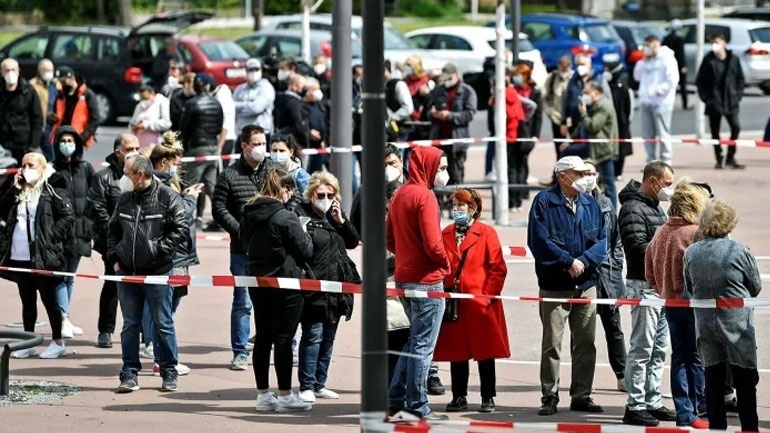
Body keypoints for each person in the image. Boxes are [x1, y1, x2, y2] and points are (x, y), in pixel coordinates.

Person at [527, 156, 607, 416]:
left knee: (585, 343)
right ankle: (549, 396)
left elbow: (603, 241)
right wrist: (567, 261)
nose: (586, 177)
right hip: (554, 285)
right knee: (552, 344)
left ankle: (582, 395)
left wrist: (582, 261)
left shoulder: (591, 203)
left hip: (586, 284)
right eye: (580, 173)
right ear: (563, 176)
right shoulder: (544, 202)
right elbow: (539, 241)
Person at [108, 153, 187, 393]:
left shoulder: (167, 197)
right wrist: (115, 258)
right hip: (127, 273)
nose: (123, 178)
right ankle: (129, 373)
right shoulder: (124, 199)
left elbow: (181, 229)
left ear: (140, 175)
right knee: (130, 324)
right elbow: (112, 231)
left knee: (163, 322)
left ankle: (169, 370)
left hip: (158, 272)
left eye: (127, 173)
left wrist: (157, 251)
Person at [683, 199, 762, 433]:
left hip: (706, 323)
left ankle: (717, 428)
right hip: (737, 323)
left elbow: (689, 287)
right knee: (745, 380)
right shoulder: (739, 250)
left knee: (713, 380)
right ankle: (750, 428)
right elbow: (755, 286)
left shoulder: (691, 252)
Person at [240, 169, 314, 412]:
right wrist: (303, 233)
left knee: (262, 336)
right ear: (282, 189)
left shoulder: (248, 213)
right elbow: (305, 250)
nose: (291, 194)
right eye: (289, 189)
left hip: (258, 280)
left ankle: (263, 394)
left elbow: (242, 241)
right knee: (283, 338)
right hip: (286, 282)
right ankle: (285, 395)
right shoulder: (286, 217)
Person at [387, 146, 451, 422]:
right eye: (442, 167)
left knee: (414, 342)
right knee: (423, 346)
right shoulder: (425, 196)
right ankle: (417, 404)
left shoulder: (401, 193)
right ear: (429, 167)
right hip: (427, 279)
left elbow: (388, 238)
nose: (444, 173)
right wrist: (445, 263)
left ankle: (396, 398)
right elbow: (433, 242)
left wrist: (406, 256)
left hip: (404, 276)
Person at [433, 189, 508, 414]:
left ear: (473, 208)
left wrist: (487, 296)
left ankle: (488, 396)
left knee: (485, 352)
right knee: (458, 353)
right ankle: (459, 396)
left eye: (461, 205)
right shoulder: (446, 233)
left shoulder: (486, 233)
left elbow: (498, 268)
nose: (456, 209)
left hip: (480, 302)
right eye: (454, 205)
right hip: (455, 302)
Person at [645, 179, 711, 429]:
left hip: (670, 303)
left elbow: (648, 268)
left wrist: (661, 289)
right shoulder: (694, 233)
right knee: (694, 358)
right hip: (693, 303)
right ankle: (693, 409)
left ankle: (685, 411)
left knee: (680, 357)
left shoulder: (661, 232)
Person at [618, 160, 677, 426]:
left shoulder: (655, 207)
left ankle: (653, 401)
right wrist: (669, 253)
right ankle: (635, 405)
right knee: (642, 348)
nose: (669, 190)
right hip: (643, 286)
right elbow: (637, 247)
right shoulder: (631, 208)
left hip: (660, 287)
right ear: (652, 181)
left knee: (659, 349)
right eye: (666, 184)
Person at [213, 125, 276, 370]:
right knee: (243, 302)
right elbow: (219, 209)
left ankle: (282, 347)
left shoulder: (273, 170)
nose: (261, 148)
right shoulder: (229, 175)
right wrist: (240, 230)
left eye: (263, 143)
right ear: (244, 146)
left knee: (276, 300)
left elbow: (288, 197)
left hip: (272, 249)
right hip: (243, 250)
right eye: (257, 144)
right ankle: (240, 352)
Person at [294, 172, 360, 403]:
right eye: (320, 194)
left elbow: (352, 241)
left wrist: (341, 221)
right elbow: (300, 249)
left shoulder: (335, 216)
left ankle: (320, 383)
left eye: (330, 194)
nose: (325, 198)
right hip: (313, 287)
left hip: (337, 288)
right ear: (311, 195)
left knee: (329, 338)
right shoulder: (301, 215)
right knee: (313, 336)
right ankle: (306, 385)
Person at [0, 152, 73, 359]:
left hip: (43, 256)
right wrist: (15, 189)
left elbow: (67, 218)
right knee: (27, 301)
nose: (25, 169)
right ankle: (28, 341)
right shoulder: (18, 190)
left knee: (49, 300)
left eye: (30, 165)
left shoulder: (52, 189)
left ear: (42, 168)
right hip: (20, 255)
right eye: (23, 165)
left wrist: (50, 237)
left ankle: (58, 342)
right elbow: (2, 209)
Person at [143, 132, 202, 377]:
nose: (179, 165)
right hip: (172, 257)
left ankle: (161, 358)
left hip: (179, 256)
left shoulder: (166, 184)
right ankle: (165, 360)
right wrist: (191, 199)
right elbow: (181, 216)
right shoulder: (161, 186)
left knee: (166, 311)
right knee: (165, 312)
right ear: (164, 162)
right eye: (176, 161)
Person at [87, 133, 140, 349]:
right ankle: (105, 331)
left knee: (142, 288)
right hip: (113, 242)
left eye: (138, 147)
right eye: (131, 148)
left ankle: (146, 336)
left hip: (140, 242)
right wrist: (116, 232)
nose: (135, 152)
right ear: (119, 152)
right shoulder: (104, 177)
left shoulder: (143, 172)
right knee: (112, 285)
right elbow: (96, 208)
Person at [583, 161, 626, 392]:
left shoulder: (606, 202)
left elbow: (616, 238)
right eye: (585, 173)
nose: (589, 177)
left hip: (608, 275)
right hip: (585, 275)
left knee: (613, 327)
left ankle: (622, 374)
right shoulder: (575, 202)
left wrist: (615, 264)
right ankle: (582, 382)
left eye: (592, 173)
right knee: (583, 332)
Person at [51, 126, 94, 339]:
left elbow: (95, 198)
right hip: (60, 234)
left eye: (70, 140)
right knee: (60, 276)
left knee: (71, 277)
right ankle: (63, 318)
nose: (66, 144)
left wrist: (90, 227)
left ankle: (65, 318)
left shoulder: (85, 168)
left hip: (80, 233)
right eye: (63, 140)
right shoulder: (52, 169)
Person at [179, 73, 224, 229]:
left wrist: (183, 146)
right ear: (207, 86)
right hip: (212, 148)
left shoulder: (191, 104)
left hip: (196, 149)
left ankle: (187, 221)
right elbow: (219, 125)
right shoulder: (216, 104)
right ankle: (221, 220)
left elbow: (184, 128)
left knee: (191, 186)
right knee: (212, 187)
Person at [696, 34, 746, 170]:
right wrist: (707, 99)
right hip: (714, 103)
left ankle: (730, 157)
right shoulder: (708, 60)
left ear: (724, 43)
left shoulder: (733, 59)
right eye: (712, 42)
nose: (714, 45)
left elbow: (740, 79)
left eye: (717, 42)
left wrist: (738, 96)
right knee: (715, 132)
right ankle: (719, 158)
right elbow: (700, 81)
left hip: (731, 101)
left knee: (736, 127)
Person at [427, 63, 477, 185]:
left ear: (455, 75)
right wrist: (434, 114)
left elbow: (470, 114)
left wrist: (449, 115)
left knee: (456, 175)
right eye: (444, 79)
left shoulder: (467, 91)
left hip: (457, 140)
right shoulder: (438, 90)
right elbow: (428, 112)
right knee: (439, 175)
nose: (446, 81)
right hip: (439, 139)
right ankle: (442, 203)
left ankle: (456, 202)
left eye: (448, 78)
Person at [634, 35, 679, 165]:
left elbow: (673, 81)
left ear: (656, 45)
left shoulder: (667, 59)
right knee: (647, 135)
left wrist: (657, 92)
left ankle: (666, 162)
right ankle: (651, 161)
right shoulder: (645, 61)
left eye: (649, 46)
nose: (647, 49)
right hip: (645, 102)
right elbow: (636, 76)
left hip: (662, 103)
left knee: (663, 134)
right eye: (645, 46)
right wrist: (643, 61)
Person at [579, 81, 619, 207]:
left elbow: (593, 126)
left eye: (586, 93)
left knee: (608, 183)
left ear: (596, 93)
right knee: (601, 182)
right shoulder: (597, 105)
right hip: (598, 148)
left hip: (604, 150)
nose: (584, 96)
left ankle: (612, 212)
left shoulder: (603, 106)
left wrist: (583, 112)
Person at [509, 63, 542, 212]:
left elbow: (538, 115)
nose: (515, 77)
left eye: (518, 74)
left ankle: (521, 194)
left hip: (526, 133)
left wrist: (536, 135)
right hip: (512, 133)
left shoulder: (534, 92)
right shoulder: (511, 90)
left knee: (521, 164)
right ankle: (513, 198)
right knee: (512, 166)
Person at [0, 58, 43, 164]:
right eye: (7, 70)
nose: (10, 73)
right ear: (1, 73)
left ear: (18, 71)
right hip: (2, 146)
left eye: (13, 70)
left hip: (23, 146)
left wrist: (33, 144)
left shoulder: (28, 91)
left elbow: (37, 118)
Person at [50, 66, 99, 148]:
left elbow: (95, 119)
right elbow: (57, 115)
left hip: (77, 138)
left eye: (63, 81)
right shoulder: (61, 95)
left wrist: (82, 138)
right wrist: (51, 118)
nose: (62, 84)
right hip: (61, 138)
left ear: (72, 78)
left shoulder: (87, 95)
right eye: (60, 82)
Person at [603, 61, 633, 180]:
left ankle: (618, 172)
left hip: (621, 121)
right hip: (608, 122)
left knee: (622, 147)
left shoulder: (623, 85)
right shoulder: (604, 84)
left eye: (608, 70)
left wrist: (626, 119)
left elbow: (628, 106)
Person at [233, 58, 275, 139]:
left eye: (256, 69)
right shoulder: (240, 89)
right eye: (251, 70)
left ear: (261, 70)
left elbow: (256, 108)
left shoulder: (266, 87)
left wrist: (239, 106)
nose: (254, 72)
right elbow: (231, 107)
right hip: (243, 133)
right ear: (246, 71)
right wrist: (249, 104)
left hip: (261, 134)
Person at [543, 55, 573, 162]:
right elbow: (545, 97)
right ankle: (559, 171)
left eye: (566, 68)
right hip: (556, 117)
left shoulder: (574, 78)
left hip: (571, 119)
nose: (564, 70)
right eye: (562, 67)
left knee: (574, 146)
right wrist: (550, 112)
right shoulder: (552, 78)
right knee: (559, 147)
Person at [29, 58, 58, 162]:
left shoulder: (55, 85)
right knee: (49, 153)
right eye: (45, 70)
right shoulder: (32, 85)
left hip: (52, 125)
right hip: (39, 124)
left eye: (50, 70)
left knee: (52, 153)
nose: (48, 73)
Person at [273, 73, 310, 149]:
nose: (305, 89)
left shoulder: (280, 98)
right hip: (294, 142)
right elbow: (297, 123)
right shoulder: (293, 102)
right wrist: (305, 142)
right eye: (302, 86)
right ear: (294, 85)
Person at [303, 77, 329, 174]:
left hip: (319, 146)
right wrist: (308, 132)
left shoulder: (319, 105)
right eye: (315, 90)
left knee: (317, 174)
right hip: (308, 146)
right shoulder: (302, 105)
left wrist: (323, 139)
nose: (318, 92)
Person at [385, 60, 415, 142]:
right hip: (387, 130)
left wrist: (392, 117)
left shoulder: (399, 84)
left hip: (399, 130)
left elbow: (408, 108)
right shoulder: (385, 84)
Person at [662, 19, 688, 110]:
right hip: (678, 64)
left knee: (669, 84)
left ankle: (667, 103)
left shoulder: (666, 38)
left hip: (668, 64)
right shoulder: (679, 39)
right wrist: (683, 66)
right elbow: (681, 54)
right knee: (683, 85)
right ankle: (685, 103)